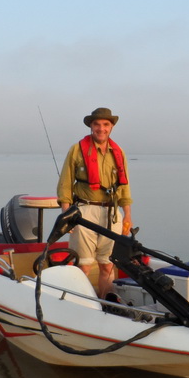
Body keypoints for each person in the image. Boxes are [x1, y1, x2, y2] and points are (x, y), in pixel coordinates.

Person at [56, 107, 132, 298]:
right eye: (97, 124)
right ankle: (78, 303)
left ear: (111, 127)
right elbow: (65, 183)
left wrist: (127, 215)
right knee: (84, 265)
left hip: (112, 213)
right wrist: (66, 215)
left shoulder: (119, 151)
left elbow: (124, 187)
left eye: (106, 124)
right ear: (91, 126)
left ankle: (107, 304)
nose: (101, 128)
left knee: (108, 264)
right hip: (84, 211)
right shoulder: (77, 149)